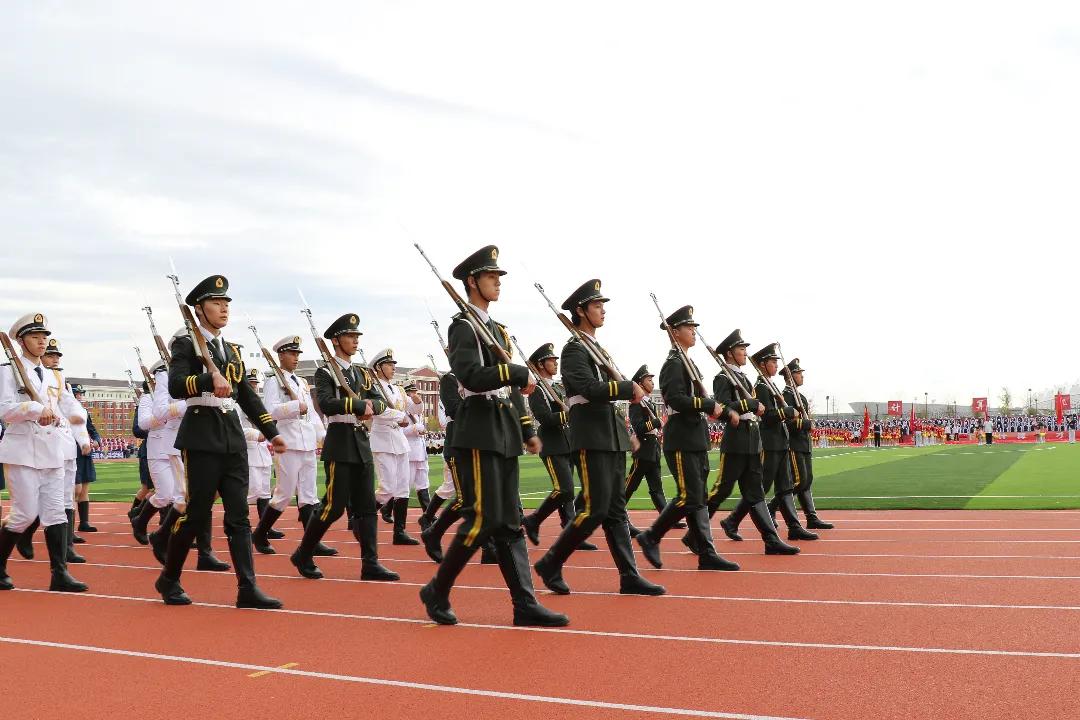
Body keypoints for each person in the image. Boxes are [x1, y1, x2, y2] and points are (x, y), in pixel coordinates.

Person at [418, 245, 568, 627]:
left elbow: (513, 391)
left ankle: (525, 604)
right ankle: (437, 588)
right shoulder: (464, 326)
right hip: (478, 428)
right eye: (491, 277)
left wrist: (527, 427)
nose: (497, 283)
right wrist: (514, 372)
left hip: (502, 430)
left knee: (509, 521)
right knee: (483, 518)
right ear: (472, 281)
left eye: (498, 276)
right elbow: (469, 376)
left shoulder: (495, 329)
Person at [156, 275, 284, 608]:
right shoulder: (185, 343)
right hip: (201, 436)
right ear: (198, 309)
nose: (224, 308)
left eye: (226, 303)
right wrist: (206, 379)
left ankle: (247, 588)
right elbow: (175, 386)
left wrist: (272, 432)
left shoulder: (231, 349)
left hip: (231, 436)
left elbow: (247, 396)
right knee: (197, 514)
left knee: (239, 516)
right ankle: (169, 577)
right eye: (216, 302)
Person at [532, 278, 665, 597]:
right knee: (595, 508)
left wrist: (625, 433)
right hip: (590, 436)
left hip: (609, 435)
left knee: (616, 508)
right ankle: (551, 562)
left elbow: (608, 402)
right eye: (596, 305)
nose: (602, 310)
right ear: (580, 311)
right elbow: (590, 390)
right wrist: (624, 387)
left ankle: (629, 576)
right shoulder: (574, 350)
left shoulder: (596, 349)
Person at [288, 313, 399, 583]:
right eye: (350, 336)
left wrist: (372, 407)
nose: (355, 341)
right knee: (334, 507)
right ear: (336, 340)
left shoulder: (361, 372)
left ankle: (370, 563)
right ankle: (304, 552)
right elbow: (325, 404)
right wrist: (357, 405)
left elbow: (380, 401)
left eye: (357, 336)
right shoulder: (325, 372)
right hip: (340, 440)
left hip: (361, 441)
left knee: (366, 508)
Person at [634, 305, 741, 571]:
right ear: (674, 332)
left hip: (695, 437)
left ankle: (706, 552)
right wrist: (707, 405)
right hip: (681, 438)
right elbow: (676, 400)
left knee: (699, 497)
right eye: (689, 328)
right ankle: (652, 536)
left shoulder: (687, 362)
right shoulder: (672, 364)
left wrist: (722, 410)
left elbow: (701, 400)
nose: (694, 332)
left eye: (693, 328)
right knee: (690, 496)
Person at [0, 313, 88, 592]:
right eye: (35, 336)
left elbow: (66, 403)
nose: (42, 341)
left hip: (52, 451)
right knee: (25, 514)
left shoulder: (53, 376)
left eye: (44, 336)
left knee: (55, 513)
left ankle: (59, 574)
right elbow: (4, 411)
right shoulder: (7, 371)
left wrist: (75, 416)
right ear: (21, 340)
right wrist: (34, 409)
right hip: (23, 451)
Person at [698, 329, 799, 555]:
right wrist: (749, 405)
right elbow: (722, 408)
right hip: (735, 441)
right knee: (720, 491)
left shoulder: (743, 378)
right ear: (730, 353)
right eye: (741, 349)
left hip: (752, 441)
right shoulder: (722, 378)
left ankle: (771, 540)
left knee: (756, 494)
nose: (745, 353)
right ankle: (695, 533)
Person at [141, 349, 230, 572]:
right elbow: (160, 411)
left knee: (205, 495)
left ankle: (190, 547)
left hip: (206, 438)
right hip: (179, 441)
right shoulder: (166, 375)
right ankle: (191, 548)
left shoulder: (209, 369)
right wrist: (193, 403)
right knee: (189, 497)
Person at [252, 335, 332, 556]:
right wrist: (295, 406)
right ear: (281, 355)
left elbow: (312, 414)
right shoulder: (273, 381)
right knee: (284, 494)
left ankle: (311, 542)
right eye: (292, 353)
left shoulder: (301, 382)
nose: (296, 358)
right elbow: (268, 411)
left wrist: (322, 434)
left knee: (309, 494)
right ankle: (260, 533)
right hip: (287, 442)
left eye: (298, 354)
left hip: (306, 442)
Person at [521, 343, 577, 545]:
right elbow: (544, 417)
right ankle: (534, 519)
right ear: (541, 364)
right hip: (552, 444)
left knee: (568, 495)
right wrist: (566, 414)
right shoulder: (537, 390)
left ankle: (570, 531)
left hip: (567, 443)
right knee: (564, 489)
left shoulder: (558, 387)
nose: (555, 363)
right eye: (551, 360)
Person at [369, 349, 421, 545]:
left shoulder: (397, 390)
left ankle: (399, 532)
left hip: (399, 442)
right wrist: (400, 417)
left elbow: (412, 409)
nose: (393, 368)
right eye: (389, 364)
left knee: (402, 489)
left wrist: (417, 402)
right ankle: (361, 517)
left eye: (393, 364)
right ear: (379, 367)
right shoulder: (373, 388)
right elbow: (378, 411)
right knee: (387, 488)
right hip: (383, 441)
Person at [625, 364, 683, 536]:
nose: (652, 382)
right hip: (643, 449)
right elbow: (639, 427)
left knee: (656, 488)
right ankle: (618, 518)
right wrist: (656, 423)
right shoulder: (636, 403)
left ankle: (667, 518)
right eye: (649, 380)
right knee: (629, 487)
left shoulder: (648, 402)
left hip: (653, 448)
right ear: (640, 384)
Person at [781, 358, 832, 530]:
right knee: (799, 481)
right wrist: (806, 424)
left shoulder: (800, 396)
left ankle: (811, 517)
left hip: (804, 443)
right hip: (793, 443)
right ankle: (771, 508)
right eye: (799, 373)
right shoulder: (786, 396)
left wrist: (806, 425)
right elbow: (786, 422)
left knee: (807, 480)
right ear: (790, 376)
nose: (802, 376)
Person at [401, 382, 432, 517]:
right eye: (412, 393)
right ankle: (386, 509)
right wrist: (414, 429)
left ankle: (428, 513)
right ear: (407, 394)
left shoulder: (417, 411)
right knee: (405, 484)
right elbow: (400, 431)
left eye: (416, 392)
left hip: (420, 450)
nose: (415, 395)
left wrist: (421, 429)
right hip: (409, 452)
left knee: (423, 483)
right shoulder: (402, 409)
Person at [71, 384, 99, 533]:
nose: (80, 396)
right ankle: (69, 528)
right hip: (72, 452)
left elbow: (92, 430)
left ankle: (84, 523)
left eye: (81, 393)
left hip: (84, 451)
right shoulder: (65, 410)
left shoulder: (83, 411)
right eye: (78, 393)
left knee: (84, 488)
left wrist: (96, 439)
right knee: (75, 488)